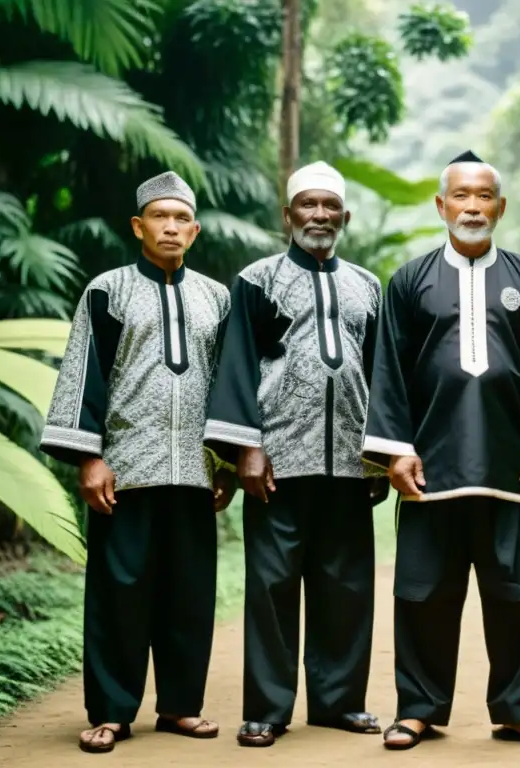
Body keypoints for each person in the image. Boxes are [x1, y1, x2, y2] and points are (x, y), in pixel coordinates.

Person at [362, 150, 520, 752]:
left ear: (501, 207)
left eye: (484, 196)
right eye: (461, 195)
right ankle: (418, 708)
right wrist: (397, 449)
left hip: (511, 466)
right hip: (431, 467)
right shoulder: (408, 281)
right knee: (424, 592)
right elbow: (388, 371)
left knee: (516, 594)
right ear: (441, 205)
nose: (472, 206)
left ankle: (518, 708)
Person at [39, 171, 234, 754]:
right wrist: (90, 459)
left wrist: (225, 460)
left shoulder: (217, 298)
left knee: (190, 591)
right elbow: (84, 374)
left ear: (194, 230)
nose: (171, 227)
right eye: (160, 217)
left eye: (181, 219)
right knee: (118, 592)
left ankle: (180, 706)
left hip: (195, 472)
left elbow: (230, 384)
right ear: (139, 225)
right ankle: (111, 711)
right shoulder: (107, 291)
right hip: (125, 469)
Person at [203, 161, 386, 748]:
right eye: (308, 205)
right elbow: (234, 366)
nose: (319, 216)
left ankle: (339, 703)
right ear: (288, 215)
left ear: (345, 217)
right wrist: (246, 449)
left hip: (349, 461)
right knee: (273, 583)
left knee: (347, 585)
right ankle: (267, 708)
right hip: (279, 458)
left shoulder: (367, 285)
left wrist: (379, 456)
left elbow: (382, 373)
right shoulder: (257, 280)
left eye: (330, 206)